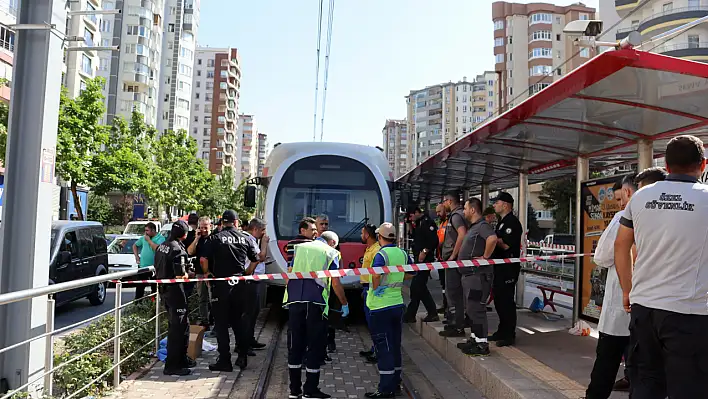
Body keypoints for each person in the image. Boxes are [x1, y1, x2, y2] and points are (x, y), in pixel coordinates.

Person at [615, 135, 708, 399]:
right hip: (688, 312)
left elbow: (621, 245)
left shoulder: (641, 196)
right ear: (703, 164)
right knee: (689, 388)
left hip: (644, 308)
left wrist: (627, 290)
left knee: (646, 382)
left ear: (666, 166)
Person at [585, 168, 667, 399]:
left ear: (631, 192)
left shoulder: (625, 218)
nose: (621, 204)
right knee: (646, 367)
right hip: (658, 307)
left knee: (608, 360)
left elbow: (602, 256)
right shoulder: (671, 216)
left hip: (625, 303)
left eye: (622, 198)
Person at [285, 231, 349, 399]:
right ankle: (310, 390)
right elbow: (335, 281)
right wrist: (344, 303)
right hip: (316, 303)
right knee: (315, 346)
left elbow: (289, 272)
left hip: (294, 301)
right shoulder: (331, 252)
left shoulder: (299, 248)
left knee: (296, 346)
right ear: (332, 242)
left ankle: (294, 390)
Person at [364, 223, 414, 399]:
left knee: (383, 348)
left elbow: (376, 274)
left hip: (380, 306)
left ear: (380, 237)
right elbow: (412, 273)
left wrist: (376, 287)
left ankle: (386, 389)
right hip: (397, 304)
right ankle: (396, 382)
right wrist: (397, 278)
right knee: (394, 345)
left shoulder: (382, 254)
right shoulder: (402, 253)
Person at [206, 210, 260, 372]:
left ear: (222, 222)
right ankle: (242, 356)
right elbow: (256, 259)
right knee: (239, 322)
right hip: (239, 285)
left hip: (221, 286)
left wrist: (209, 274)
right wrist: (246, 273)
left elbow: (203, 259)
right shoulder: (246, 238)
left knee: (221, 325)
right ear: (236, 222)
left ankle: (224, 360)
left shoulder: (214, 238)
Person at [455, 198, 497, 357]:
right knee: (471, 309)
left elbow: (492, 239)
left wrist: (485, 256)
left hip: (477, 277)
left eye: (465, 208)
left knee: (476, 309)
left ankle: (481, 344)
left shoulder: (482, 226)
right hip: (470, 276)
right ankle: (474, 339)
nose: (463, 211)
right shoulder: (473, 227)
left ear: (473, 210)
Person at [153, 221, 193, 376]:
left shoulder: (162, 246)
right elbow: (180, 275)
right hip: (176, 293)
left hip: (165, 292)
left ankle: (181, 359)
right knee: (178, 329)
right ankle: (172, 366)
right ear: (184, 234)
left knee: (182, 325)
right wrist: (190, 274)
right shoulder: (177, 249)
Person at [489, 192, 522, 347]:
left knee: (506, 301)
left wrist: (493, 240)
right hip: (499, 267)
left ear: (505, 204)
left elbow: (506, 244)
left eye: (497, 202)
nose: (494, 205)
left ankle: (509, 334)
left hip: (508, 268)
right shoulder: (502, 222)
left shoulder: (512, 223)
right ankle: (502, 330)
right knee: (499, 300)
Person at [439, 191, 470, 338]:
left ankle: (457, 326)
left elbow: (462, 234)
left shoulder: (456, 216)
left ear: (449, 201)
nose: (443, 204)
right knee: (454, 294)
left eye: (444, 201)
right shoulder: (457, 215)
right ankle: (455, 322)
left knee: (454, 294)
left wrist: (453, 255)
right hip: (454, 261)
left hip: (453, 261)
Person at [403, 207, 439, 323]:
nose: (411, 218)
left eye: (412, 215)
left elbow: (433, 240)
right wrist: (409, 224)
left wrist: (424, 251)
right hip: (419, 261)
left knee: (418, 286)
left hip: (425, 260)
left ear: (417, 212)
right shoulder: (418, 223)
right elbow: (415, 236)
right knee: (417, 287)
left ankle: (431, 312)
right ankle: (411, 314)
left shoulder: (427, 222)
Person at [243, 218, 269, 352]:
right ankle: (244, 343)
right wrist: (264, 244)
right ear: (255, 229)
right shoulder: (250, 240)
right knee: (249, 313)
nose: (264, 233)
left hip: (255, 280)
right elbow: (260, 257)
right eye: (262, 230)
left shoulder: (252, 240)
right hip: (251, 281)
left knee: (254, 312)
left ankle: (250, 339)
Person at [359, 223, 381, 363]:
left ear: (367, 235)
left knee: (374, 323)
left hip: (371, 289)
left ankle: (378, 352)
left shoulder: (376, 251)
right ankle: (374, 348)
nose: (361, 236)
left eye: (362, 233)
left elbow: (376, 274)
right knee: (370, 322)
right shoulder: (370, 249)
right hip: (366, 288)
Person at [188, 216, 212, 329]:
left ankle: (215, 321)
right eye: (201, 227)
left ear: (210, 226)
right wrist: (196, 239)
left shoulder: (214, 238)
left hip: (212, 273)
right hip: (200, 273)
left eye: (206, 227)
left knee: (214, 298)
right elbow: (190, 251)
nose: (204, 230)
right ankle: (205, 321)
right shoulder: (197, 238)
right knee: (202, 298)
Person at [133, 222, 166, 299]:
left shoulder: (160, 238)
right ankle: (138, 303)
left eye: (147, 230)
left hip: (154, 267)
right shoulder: (143, 238)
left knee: (154, 287)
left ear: (153, 230)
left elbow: (157, 249)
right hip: (143, 266)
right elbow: (135, 245)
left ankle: (154, 303)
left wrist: (149, 241)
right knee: (140, 287)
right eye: (145, 230)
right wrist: (137, 256)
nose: (146, 232)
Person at [435, 203, 448, 315]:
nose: (438, 214)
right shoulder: (442, 223)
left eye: (439, 211)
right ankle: (445, 305)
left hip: (447, 259)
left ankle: (448, 307)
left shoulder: (449, 222)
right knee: (443, 284)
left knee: (448, 285)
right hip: (441, 258)